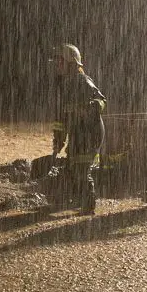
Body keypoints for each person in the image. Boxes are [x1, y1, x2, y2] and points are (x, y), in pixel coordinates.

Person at [51, 43, 106, 215]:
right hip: (77, 132)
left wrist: (90, 107)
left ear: (71, 63)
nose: (57, 65)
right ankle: (77, 200)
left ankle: (88, 206)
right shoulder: (64, 85)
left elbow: (102, 100)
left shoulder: (84, 81)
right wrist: (58, 138)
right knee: (74, 167)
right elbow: (61, 117)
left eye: (60, 61)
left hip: (90, 132)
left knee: (82, 169)